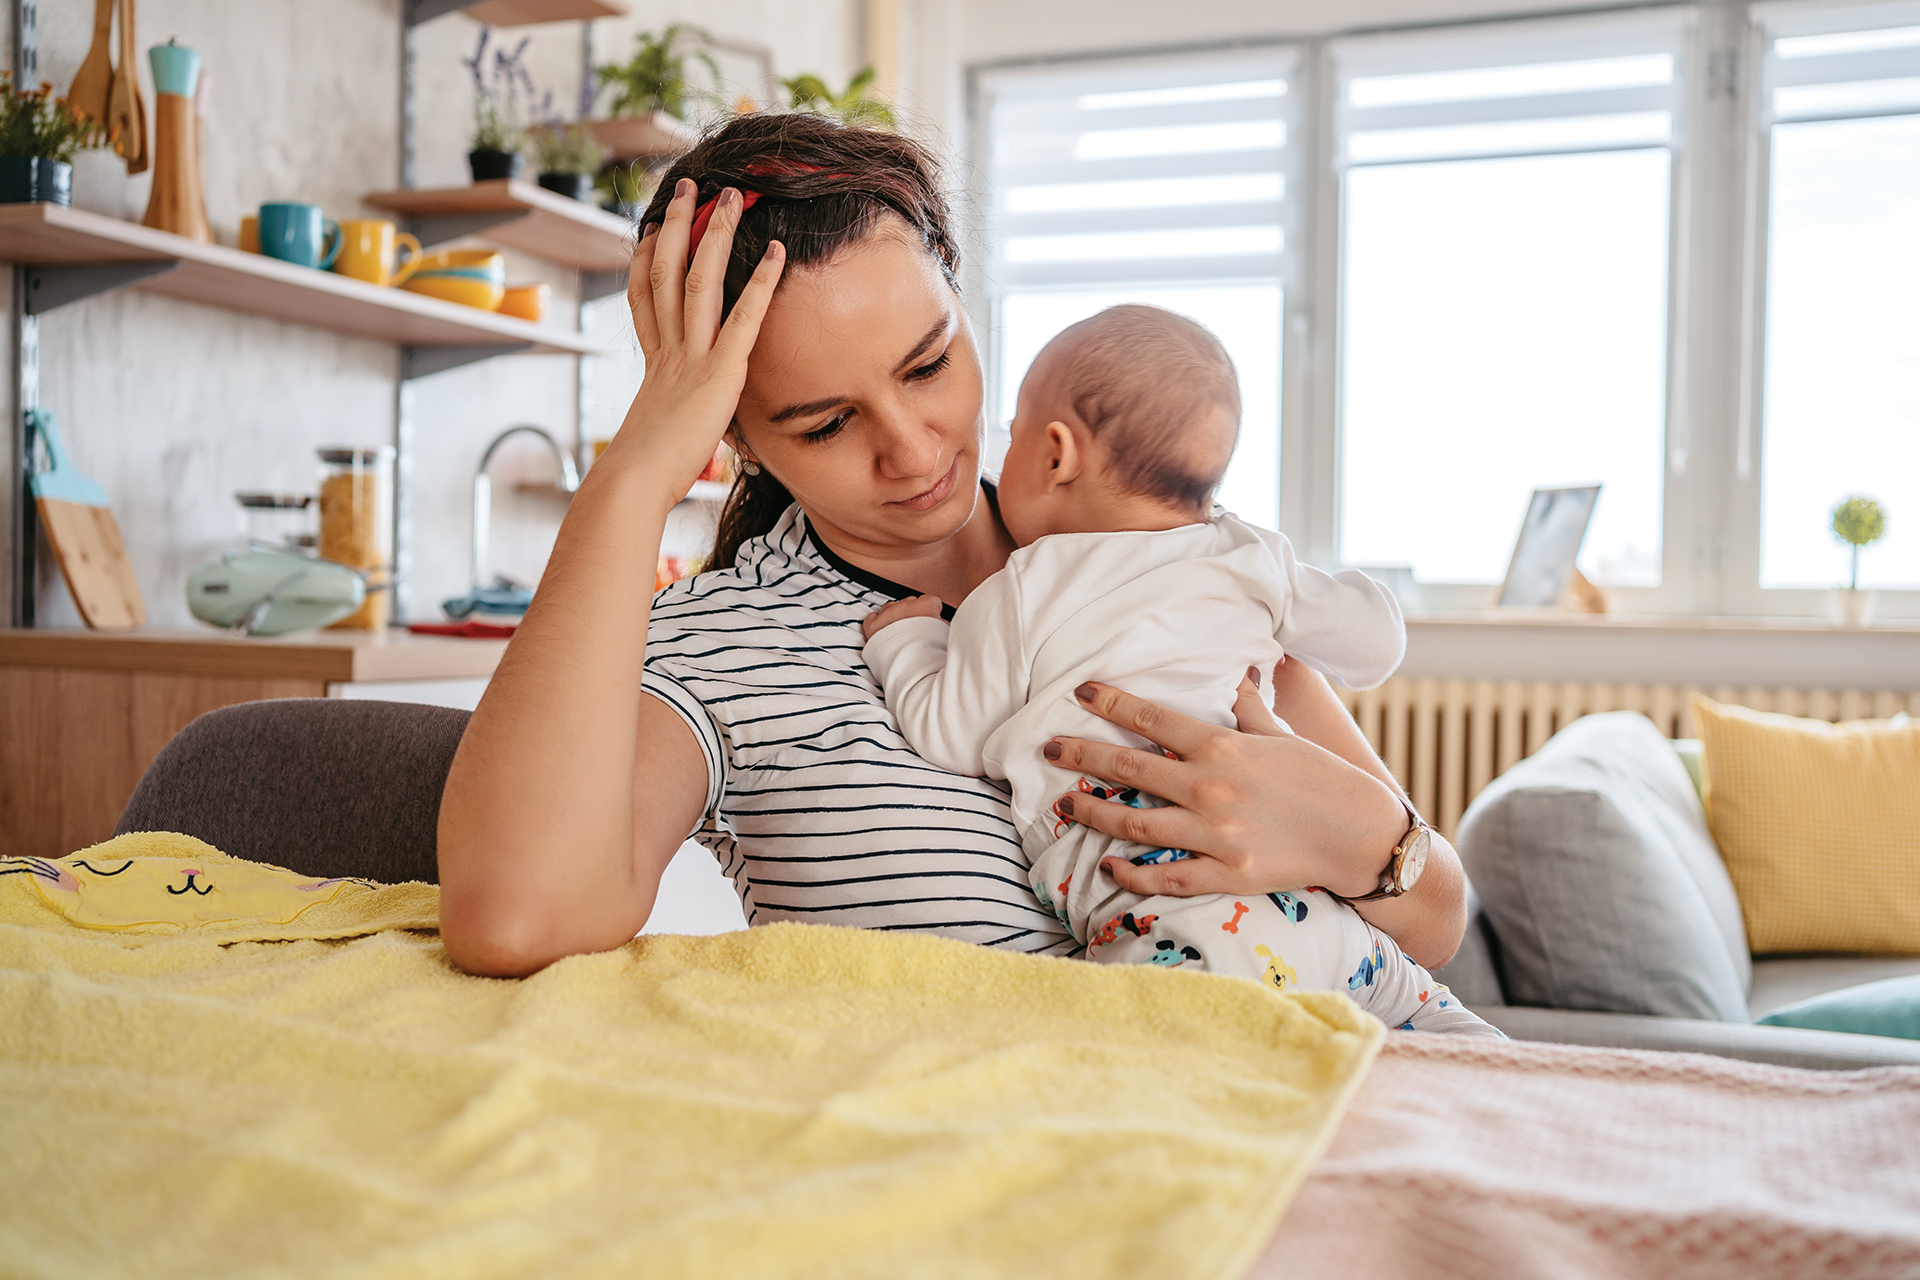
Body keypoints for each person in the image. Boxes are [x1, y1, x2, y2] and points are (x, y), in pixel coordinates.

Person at [435, 112, 1468, 982]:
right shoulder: (727, 642)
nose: (913, 447)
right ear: (735, 433)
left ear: (963, 299)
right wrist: (635, 472)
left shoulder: (1142, 539)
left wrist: (1365, 840)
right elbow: (516, 917)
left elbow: (1439, 916)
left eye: (929, 363)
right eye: (826, 422)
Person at [859, 305, 1495, 1034]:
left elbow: (949, 731)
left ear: (1057, 454)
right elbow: (1376, 646)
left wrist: (905, 642)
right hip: (1330, 920)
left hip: (1185, 925)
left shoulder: (1022, 588)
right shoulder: (1248, 553)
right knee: (1484, 1063)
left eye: (1016, 431)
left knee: (1164, 1074)